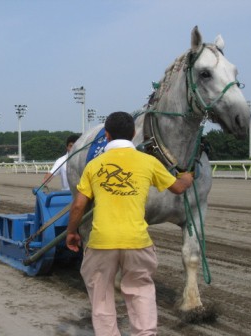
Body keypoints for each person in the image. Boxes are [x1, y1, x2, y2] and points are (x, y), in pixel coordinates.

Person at [65, 111, 194, 336]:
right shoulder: (148, 162)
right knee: (141, 292)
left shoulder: (94, 166)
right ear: (134, 133)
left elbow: (78, 206)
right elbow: (178, 188)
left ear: (106, 135)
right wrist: (188, 177)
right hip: (137, 242)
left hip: (101, 243)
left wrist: (71, 232)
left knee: (102, 297)